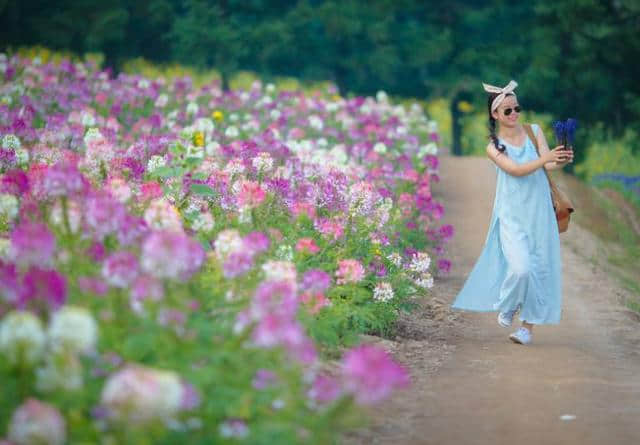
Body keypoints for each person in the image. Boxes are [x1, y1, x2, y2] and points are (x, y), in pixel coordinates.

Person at [450, 80, 574, 345]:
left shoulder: (533, 131)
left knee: (539, 268)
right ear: (495, 115)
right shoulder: (493, 146)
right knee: (520, 269)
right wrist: (545, 158)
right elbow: (516, 170)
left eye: (516, 108)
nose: (514, 114)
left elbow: (547, 165)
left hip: (539, 211)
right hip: (512, 215)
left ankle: (526, 329)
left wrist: (559, 159)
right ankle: (509, 304)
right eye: (507, 110)